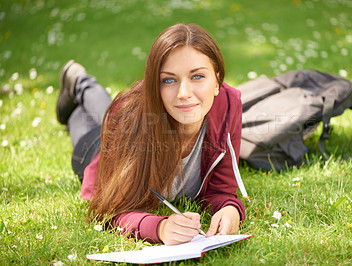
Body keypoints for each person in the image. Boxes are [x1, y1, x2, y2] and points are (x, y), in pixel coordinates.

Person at [56, 23, 245, 245]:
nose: (184, 93)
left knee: (103, 117)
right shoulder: (128, 116)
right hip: (101, 150)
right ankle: (80, 83)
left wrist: (231, 210)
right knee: (91, 123)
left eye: (197, 77)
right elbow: (109, 210)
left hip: (125, 123)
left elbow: (221, 190)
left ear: (217, 80)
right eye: (169, 80)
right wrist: (160, 228)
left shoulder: (228, 104)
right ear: (155, 86)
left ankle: (79, 87)